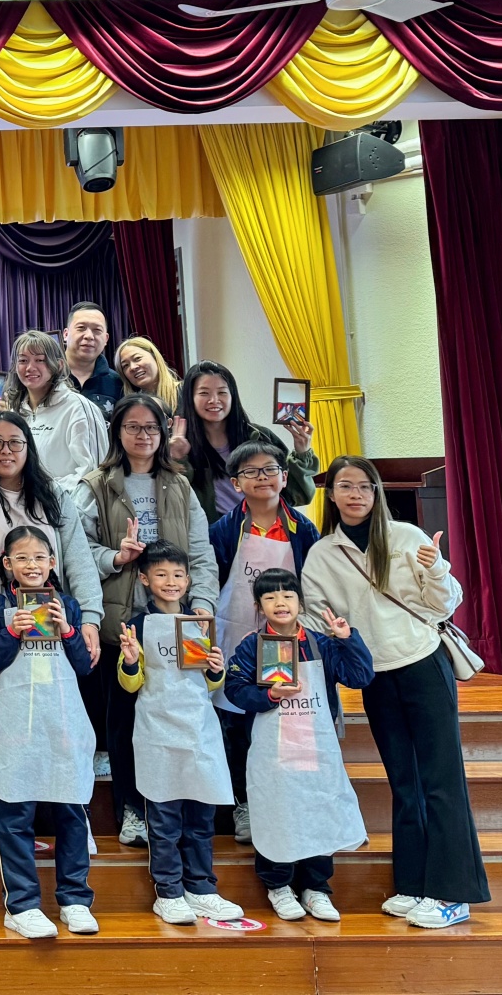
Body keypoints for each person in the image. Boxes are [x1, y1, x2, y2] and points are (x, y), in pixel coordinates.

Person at [303, 457, 491, 928]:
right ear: (332, 494)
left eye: (365, 487)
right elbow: (313, 615)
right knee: (405, 784)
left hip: (423, 663)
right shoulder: (323, 554)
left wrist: (436, 569)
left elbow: (445, 604)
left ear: (376, 493)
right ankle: (414, 882)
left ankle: (453, 894)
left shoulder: (405, 536)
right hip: (376, 675)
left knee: (441, 781)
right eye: (346, 486)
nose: (356, 495)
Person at [76, 393, 216, 845]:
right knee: (124, 723)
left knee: (181, 715)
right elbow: (77, 551)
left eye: (151, 427)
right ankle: (132, 811)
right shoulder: (95, 485)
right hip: (123, 620)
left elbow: (201, 552)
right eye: (133, 427)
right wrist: (116, 557)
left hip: (178, 620)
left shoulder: (179, 484)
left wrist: (203, 604)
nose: (143, 435)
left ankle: (181, 809)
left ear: (163, 432)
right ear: (118, 432)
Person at [223, 569, 374, 925]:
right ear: (259, 606)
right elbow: (234, 690)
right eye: (270, 597)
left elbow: (360, 676)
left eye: (288, 595)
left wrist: (348, 639)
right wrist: (269, 695)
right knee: (277, 813)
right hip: (273, 751)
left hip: (316, 747)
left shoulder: (321, 643)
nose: (280, 603)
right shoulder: (252, 646)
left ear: (300, 602)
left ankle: (316, 887)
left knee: (318, 810)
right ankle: (278, 885)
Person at [115, 543, 243, 926]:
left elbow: (209, 685)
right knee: (165, 819)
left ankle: (202, 889)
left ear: (188, 580)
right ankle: (169, 892)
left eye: (177, 575)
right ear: (144, 579)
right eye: (161, 574)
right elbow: (131, 684)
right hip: (157, 732)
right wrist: (131, 661)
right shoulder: (138, 625)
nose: (170, 581)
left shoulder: (198, 623)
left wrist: (216, 668)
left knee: (201, 818)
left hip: (199, 730)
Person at [0, 524, 97, 940]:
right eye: (22, 558)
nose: (31, 565)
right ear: (7, 564)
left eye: (39, 558)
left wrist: (67, 630)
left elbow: (84, 666)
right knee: (15, 814)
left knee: (71, 810)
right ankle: (22, 905)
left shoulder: (69, 605)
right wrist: (11, 631)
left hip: (64, 720)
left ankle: (74, 899)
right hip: (15, 722)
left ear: (52, 562)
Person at [208, 440, 322, 846]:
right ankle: (244, 804)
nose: (262, 478)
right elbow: (211, 580)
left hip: (289, 639)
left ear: (285, 477)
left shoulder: (303, 529)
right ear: (236, 483)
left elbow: (314, 585)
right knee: (238, 722)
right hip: (237, 635)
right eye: (251, 472)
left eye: (270, 469)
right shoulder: (223, 530)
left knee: (289, 719)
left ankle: (290, 799)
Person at [0, 411, 103, 677]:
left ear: (28, 446)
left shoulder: (52, 492)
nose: (6, 450)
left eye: (15, 442)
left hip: (54, 619)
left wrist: (90, 617)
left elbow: (79, 557)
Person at [171, 361, 316, 524]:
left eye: (222, 392)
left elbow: (298, 495)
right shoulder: (180, 445)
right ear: (190, 398)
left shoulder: (259, 437)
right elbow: (174, 504)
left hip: (265, 531)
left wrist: (302, 452)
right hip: (215, 535)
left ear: (233, 396)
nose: (214, 400)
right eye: (204, 393)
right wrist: (178, 459)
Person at [4, 329, 107, 493]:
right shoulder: (14, 412)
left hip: (66, 506)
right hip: (23, 505)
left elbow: (93, 475)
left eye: (40, 360)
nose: (30, 367)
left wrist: (47, 495)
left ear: (58, 365)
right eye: (23, 360)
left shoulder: (78, 408)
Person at [61, 302, 123, 413]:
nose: (89, 336)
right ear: (66, 334)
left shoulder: (117, 383)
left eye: (97, 330)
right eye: (81, 328)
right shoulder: (46, 376)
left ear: (106, 339)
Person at [115, 336, 180, 414]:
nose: (132, 367)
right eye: (125, 365)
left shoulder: (186, 391)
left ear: (155, 357)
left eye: (137, 358)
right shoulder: (129, 408)